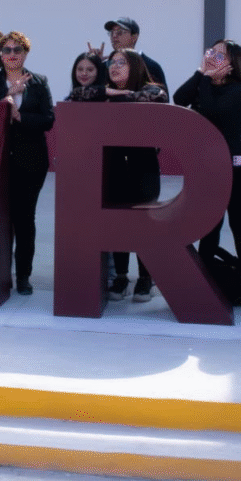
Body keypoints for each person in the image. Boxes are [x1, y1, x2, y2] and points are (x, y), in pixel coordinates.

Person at [70, 48, 167, 303]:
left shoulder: (151, 89)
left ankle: (146, 277)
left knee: (143, 223)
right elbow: (78, 93)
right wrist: (110, 92)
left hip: (142, 167)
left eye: (121, 62)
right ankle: (121, 276)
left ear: (135, 66)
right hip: (113, 167)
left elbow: (156, 96)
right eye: (112, 62)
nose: (114, 66)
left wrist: (116, 95)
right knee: (117, 222)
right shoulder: (102, 91)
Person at [175, 40, 241, 306]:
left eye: (220, 55)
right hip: (211, 167)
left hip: (240, 166)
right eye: (211, 52)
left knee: (239, 224)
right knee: (209, 224)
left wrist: (205, 80)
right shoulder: (204, 83)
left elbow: (214, 111)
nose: (212, 57)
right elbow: (179, 98)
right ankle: (204, 281)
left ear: (233, 64)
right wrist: (201, 73)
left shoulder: (238, 91)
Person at [0, 32, 54, 295]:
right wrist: (7, 92)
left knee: (24, 218)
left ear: (25, 53)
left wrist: (19, 116)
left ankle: (23, 276)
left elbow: (48, 120)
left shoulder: (39, 81)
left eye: (17, 49)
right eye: (6, 50)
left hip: (31, 159)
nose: (11, 54)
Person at [98, 17, 169, 96]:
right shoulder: (105, 65)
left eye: (120, 32)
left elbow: (162, 99)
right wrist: (95, 63)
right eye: (111, 33)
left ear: (134, 37)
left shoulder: (151, 66)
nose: (114, 36)